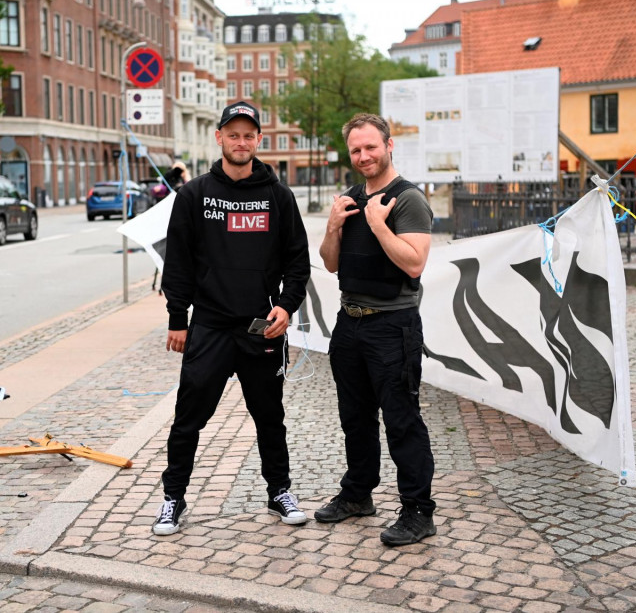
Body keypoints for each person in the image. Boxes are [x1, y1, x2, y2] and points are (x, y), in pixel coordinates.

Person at [153, 101, 311, 536]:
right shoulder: (194, 194)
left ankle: (279, 491)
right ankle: (172, 498)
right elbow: (178, 263)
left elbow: (298, 263)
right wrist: (177, 318)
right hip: (209, 325)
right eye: (233, 134)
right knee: (189, 417)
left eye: (248, 135)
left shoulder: (278, 197)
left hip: (260, 325)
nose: (241, 142)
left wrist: (286, 305)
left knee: (269, 415)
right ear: (219, 138)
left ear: (258, 140)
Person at [315, 112, 437, 547]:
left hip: (393, 325)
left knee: (402, 420)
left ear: (389, 145)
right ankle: (357, 495)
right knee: (355, 417)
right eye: (356, 150)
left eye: (371, 146)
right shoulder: (349, 198)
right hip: (349, 323)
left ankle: (418, 512)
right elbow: (331, 263)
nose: (363, 155)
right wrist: (333, 225)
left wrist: (378, 223)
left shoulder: (408, 200)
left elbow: (414, 262)